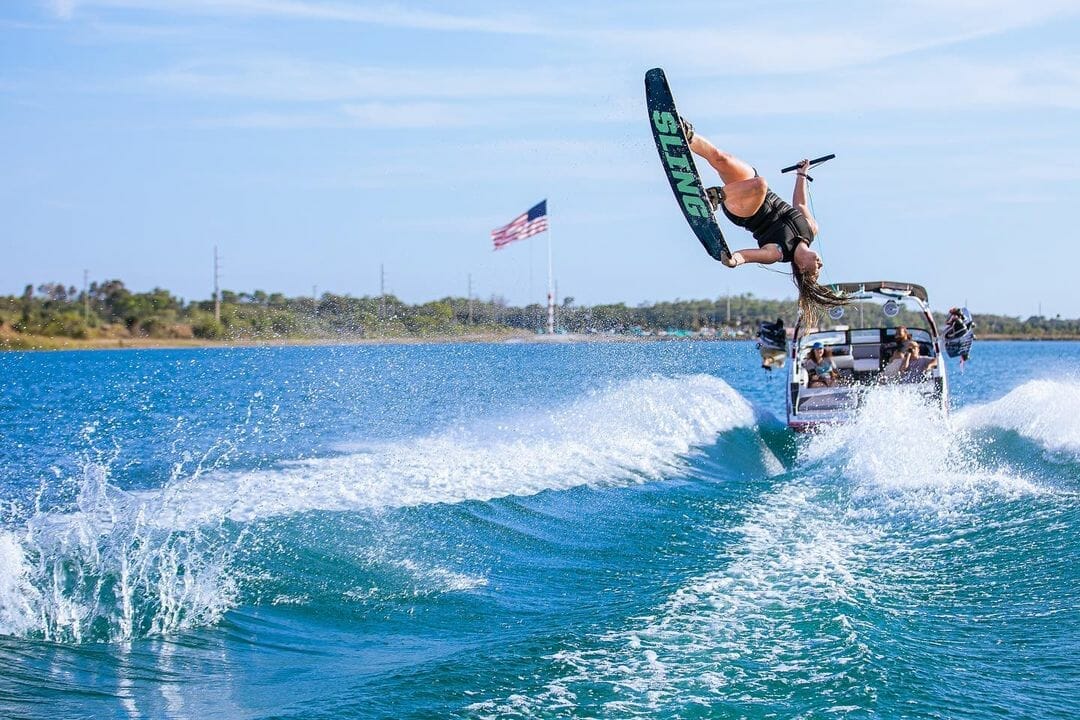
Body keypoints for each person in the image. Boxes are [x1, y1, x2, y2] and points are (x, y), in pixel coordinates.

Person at [681, 119, 847, 319]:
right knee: (721, 158)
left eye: (815, 271)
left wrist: (733, 261)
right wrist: (802, 175)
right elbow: (800, 204)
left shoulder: (776, 253)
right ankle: (686, 134)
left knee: (760, 184)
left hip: (743, 209)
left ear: (802, 267)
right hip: (750, 188)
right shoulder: (811, 228)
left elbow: (747, 256)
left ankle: (713, 198)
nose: (820, 265)